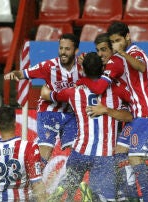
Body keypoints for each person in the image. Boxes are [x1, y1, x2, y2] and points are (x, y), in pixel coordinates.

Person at [41, 52, 133, 202]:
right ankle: (90, 196)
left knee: (69, 187)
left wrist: (46, 89)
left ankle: (63, 190)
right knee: (104, 198)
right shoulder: (115, 91)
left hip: (79, 152)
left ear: (83, 70)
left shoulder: (73, 92)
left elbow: (48, 95)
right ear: (103, 68)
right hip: (104, 155)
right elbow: (129, 116)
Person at [107, 21, 148, 202]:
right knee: (120, 150)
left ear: (127, 37)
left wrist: (121, 52)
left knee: (136, 158)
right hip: (137, 115)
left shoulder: (136, 52)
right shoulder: (123, 57)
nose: (116, 44)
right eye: (113, 41)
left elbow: (142, 67)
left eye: (118, 40)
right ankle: (128, 195)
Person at [4, 34, 83, 166]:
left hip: (72, 114)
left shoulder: (83, 67)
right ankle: (33, 182)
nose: (63, 52)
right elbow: (24, 73)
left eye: (67, 49)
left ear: (76, 51)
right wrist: (14, 74)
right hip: (49, 111)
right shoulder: (48, 66)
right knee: (45, 152)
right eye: (61, 48)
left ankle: (68, 185)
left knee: (76, 151)